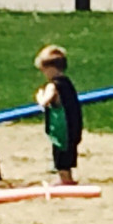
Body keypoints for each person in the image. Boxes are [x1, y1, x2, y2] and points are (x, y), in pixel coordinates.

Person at [34, 45, 82, 185]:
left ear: (50, 69)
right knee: (68, 154)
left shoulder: (53, 86)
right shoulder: (68, 83)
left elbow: (44, 102)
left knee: (60, 155)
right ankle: (67, 177)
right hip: (73, 126)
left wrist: (39, 96)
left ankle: (65, 180)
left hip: (62, 129)